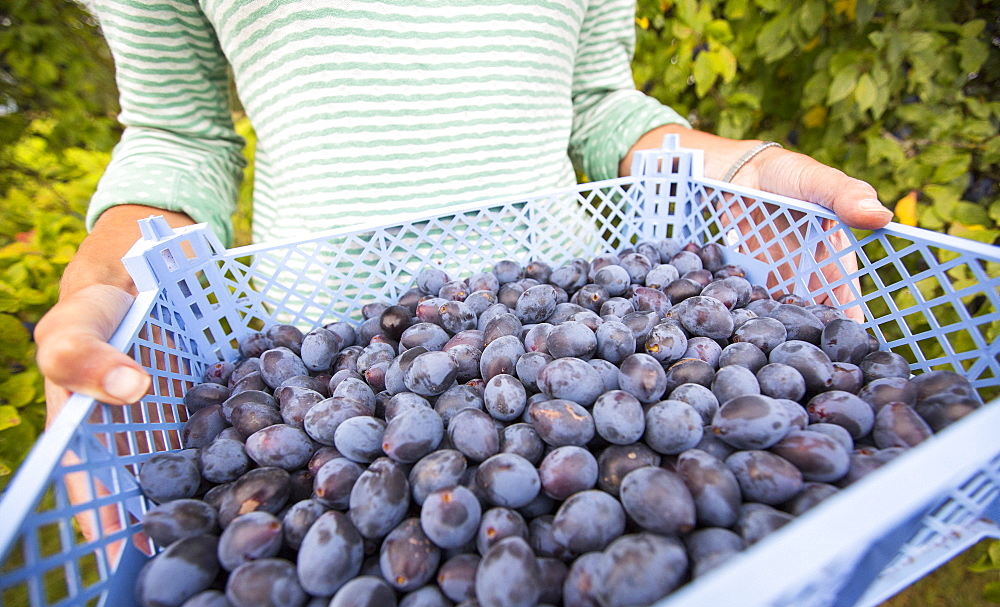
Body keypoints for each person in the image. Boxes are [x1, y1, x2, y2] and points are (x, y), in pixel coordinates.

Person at [36, 0, 893, 419]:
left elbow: (599, 104)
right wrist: (108, 276)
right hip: (329, 361)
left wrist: (745, 166)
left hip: (584, 313)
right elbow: (178, 136)